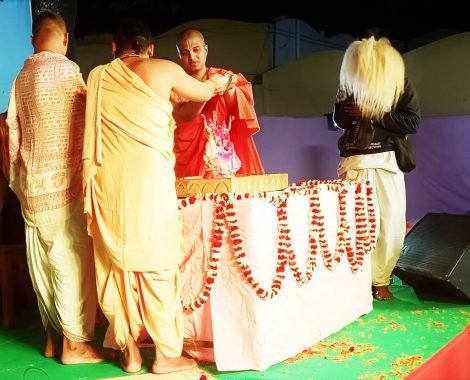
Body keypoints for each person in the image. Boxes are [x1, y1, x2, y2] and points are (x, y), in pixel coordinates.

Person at [83, 18, 228, 374]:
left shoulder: (98, 77)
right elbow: (203, 93)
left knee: (115, 265)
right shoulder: (164, 69)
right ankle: (165, 354)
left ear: (113, 49)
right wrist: (218, 82)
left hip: (108, 183)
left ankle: (128, 349)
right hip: (148, 182)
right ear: (150, 48)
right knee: (158, 262)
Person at [5, 11, 105, 363]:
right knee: (70, 261)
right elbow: (89, 124)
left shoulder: (20, 78)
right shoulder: (68, 71)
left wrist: (20, 181)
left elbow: (13, 138)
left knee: (42, 263)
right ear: (64, 40)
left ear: (34, 39)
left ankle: (52, 338)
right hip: (65, 187)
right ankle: (74, 344)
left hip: (32, 188)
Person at [333, 30, 420, 301]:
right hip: (355, 161)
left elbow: (412, 122)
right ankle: (354, 280)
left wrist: (376, 113)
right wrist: (348, 109)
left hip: (385, 161)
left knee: (389, 223)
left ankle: (380, 281)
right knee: (352, 223)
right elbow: (339, 121)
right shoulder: (348, 85)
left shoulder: (399, 82)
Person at [172, 28, 264, 178]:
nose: (192, 57)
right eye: (185, 53)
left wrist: (228, 87)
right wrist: (210, 86)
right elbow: (181, 117)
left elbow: (234, 106)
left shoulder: (221, 76)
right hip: (185, 156)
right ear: (179, 55)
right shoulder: (176, 82)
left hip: (219, 153)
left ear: (206, 50)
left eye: (196, 50)